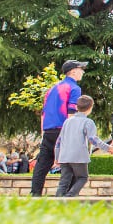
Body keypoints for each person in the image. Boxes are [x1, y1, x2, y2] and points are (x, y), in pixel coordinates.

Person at [31, 60, 87, 196]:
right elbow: (71, 113)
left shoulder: (52, 89)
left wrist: (43, 132)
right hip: (64, 130)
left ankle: (35, 194)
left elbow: (43, 113)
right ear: (73, 71)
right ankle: (67, 195)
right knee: (72, 165)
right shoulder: (74, 88)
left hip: (49, 130)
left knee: (42, 164)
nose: (83, 72)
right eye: (81, 69)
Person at [54, 95, 113, 197]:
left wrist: (57, 156)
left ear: (76, 107)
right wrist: (108, 148)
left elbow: (59, 141)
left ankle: (57, 201)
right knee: (82, 177)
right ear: (90, 108)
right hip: (78, 156)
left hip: (64, 156)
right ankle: (69, 196)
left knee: (64, 181)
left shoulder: (67, 121)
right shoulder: (88, 122)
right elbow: (93, 139)